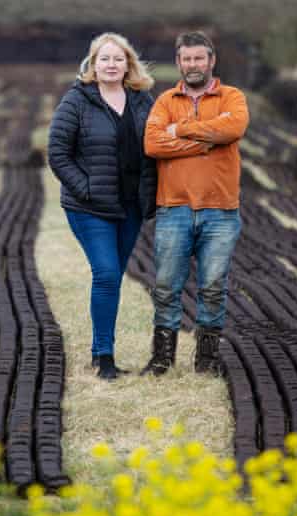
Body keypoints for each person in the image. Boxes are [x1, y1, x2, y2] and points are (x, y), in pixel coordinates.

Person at [48, 32, 158, 380]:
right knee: (107, 274)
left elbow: (157, 148)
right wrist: (87, 189)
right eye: (104, 59)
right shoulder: (77, 100)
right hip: (89, 208)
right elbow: (58, 154)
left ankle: (102, 352)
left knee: (114, 278)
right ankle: (104, 356)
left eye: (118, 59)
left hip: (130, 207)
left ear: (129, 64)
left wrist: (152, 193)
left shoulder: (143, 101)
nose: (111, 65)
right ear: (93, 65)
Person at [140, 30, 249, 376]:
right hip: (174, 209)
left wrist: (181, 129)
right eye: (186, 59)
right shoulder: (164, 101)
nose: (193, 64)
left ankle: (207, 360)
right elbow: (153, 145)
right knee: (166, 286)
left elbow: (232, 130)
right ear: (178, 63)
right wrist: (203, 141)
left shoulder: (232, 96)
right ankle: (162, 359)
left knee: (213, 286)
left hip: (221, 211)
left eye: (199, 58)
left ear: (211, 61)